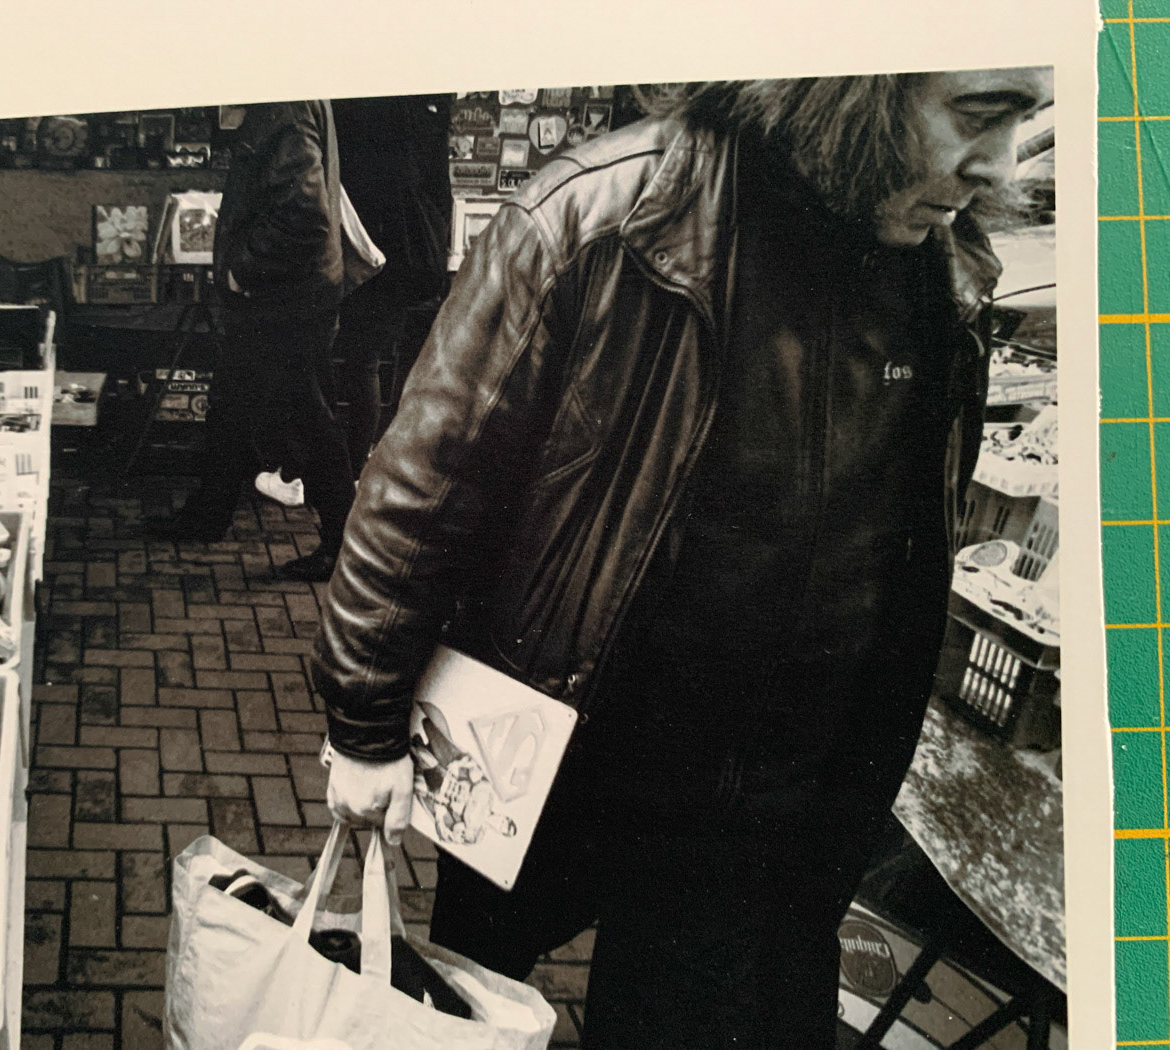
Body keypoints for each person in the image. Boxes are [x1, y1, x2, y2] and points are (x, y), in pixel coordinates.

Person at [312, 70, 1053, 1049]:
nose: (1002, 164)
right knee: (471, 1001)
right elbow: (422, 485)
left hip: (768, 787)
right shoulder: (599, 217)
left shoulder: (938, 263)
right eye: (979, 113)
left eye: (1022, 119)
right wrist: (364, 724)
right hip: (554, 747)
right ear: (858, 81)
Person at [162, 99, 356, 583]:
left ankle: (343, 547)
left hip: (284, 296)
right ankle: (208, 515)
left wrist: (242, 268)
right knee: (233, 406)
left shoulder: (283, 105)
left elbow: (306, 212)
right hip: (285, 293)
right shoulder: (290, 100)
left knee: (309, 421)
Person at [329, 93, 453, 468]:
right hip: (404, 252)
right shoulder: (423, 110)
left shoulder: (352, 107)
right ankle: (359, 461)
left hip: (359, 244)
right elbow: (440, 188)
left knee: (348, 359)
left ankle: (344, 462)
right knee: (369, 361)